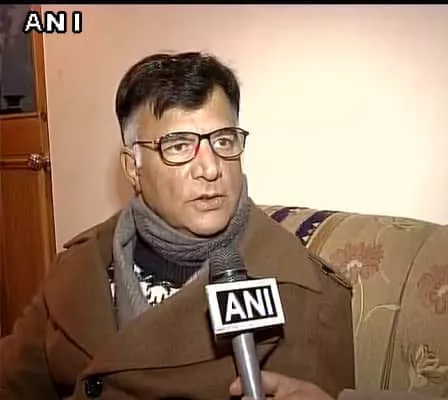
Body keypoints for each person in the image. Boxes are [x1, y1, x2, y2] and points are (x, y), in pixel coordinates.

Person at [0, 51, 355, 399]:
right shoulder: (78, 265)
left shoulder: (305, 294)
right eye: (179, 146)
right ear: (133, 168)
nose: (210, 169)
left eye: (223, 141)